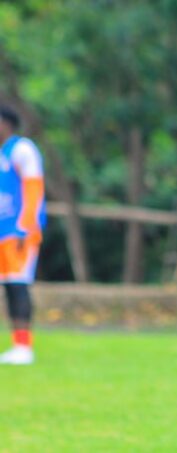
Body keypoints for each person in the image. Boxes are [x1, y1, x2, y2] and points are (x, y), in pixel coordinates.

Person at [0, 105, 46, 365]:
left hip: (19, 233)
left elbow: (34, 191)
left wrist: (24, 228)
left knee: (18, 285)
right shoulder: (3, 153)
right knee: (8, 286)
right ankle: (17, 344)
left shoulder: (22, 149)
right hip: (3, 231)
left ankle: (24, 347)